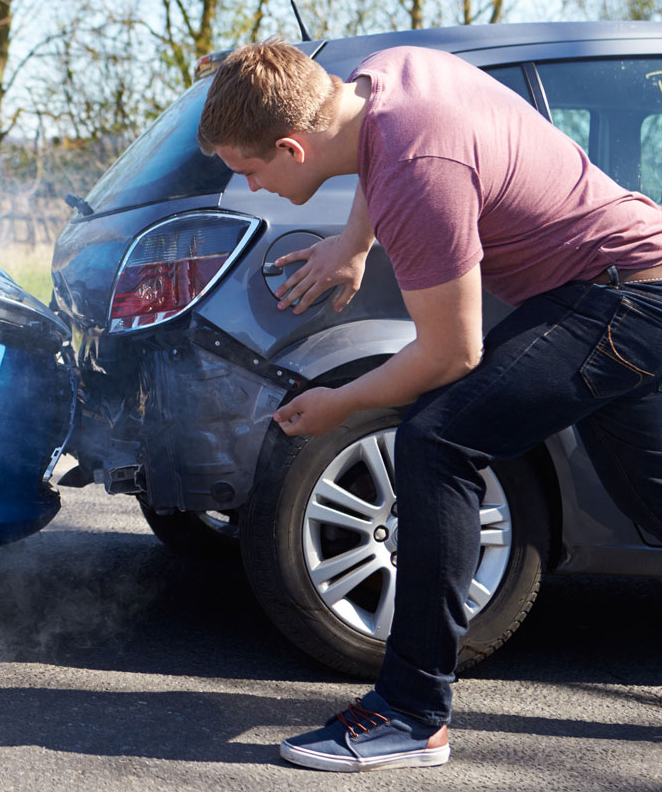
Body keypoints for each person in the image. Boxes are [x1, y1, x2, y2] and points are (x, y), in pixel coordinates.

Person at [197, 39, 662, 772]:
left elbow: (451, 355)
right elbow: (379, 152)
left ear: (290, 147)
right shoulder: (388, 74)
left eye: (250, 172)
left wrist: (339, 404)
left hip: (622, 297)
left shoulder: (417, 168)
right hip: (622, 281)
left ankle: (411, 711)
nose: (252, 188)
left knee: (437, 441)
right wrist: (354, 243)